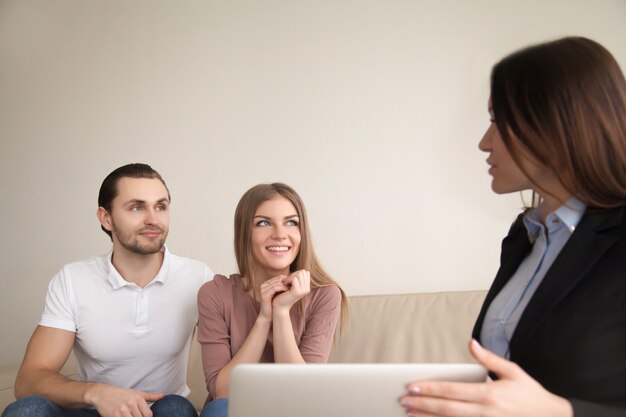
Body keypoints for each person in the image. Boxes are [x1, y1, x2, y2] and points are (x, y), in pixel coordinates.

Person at [400, 36, 626, 417]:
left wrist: (561, 412)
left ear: (557, 122)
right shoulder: (525, 237)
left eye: (497, 121)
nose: (484, 143)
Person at [3, 163, 212, 417]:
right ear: (106, 218)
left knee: (175, 407)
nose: (153, 219)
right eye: (137, 207)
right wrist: (96, 393)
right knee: (28, 410)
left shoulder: (198, 277)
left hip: (160, 412)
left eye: (161, 206)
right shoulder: (73, 279)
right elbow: (29, 380)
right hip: (92, 411)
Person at [197, 183, 347, 417]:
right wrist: (264, 317)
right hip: (230, 411)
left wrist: (281, 313)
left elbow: (301, 395)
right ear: (245, 232)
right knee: (220, 409)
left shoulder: (325, 295)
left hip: (292, 412)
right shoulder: (215, 293)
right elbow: (224, 392)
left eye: (291, 222)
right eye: (264, 223)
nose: (279, 233)